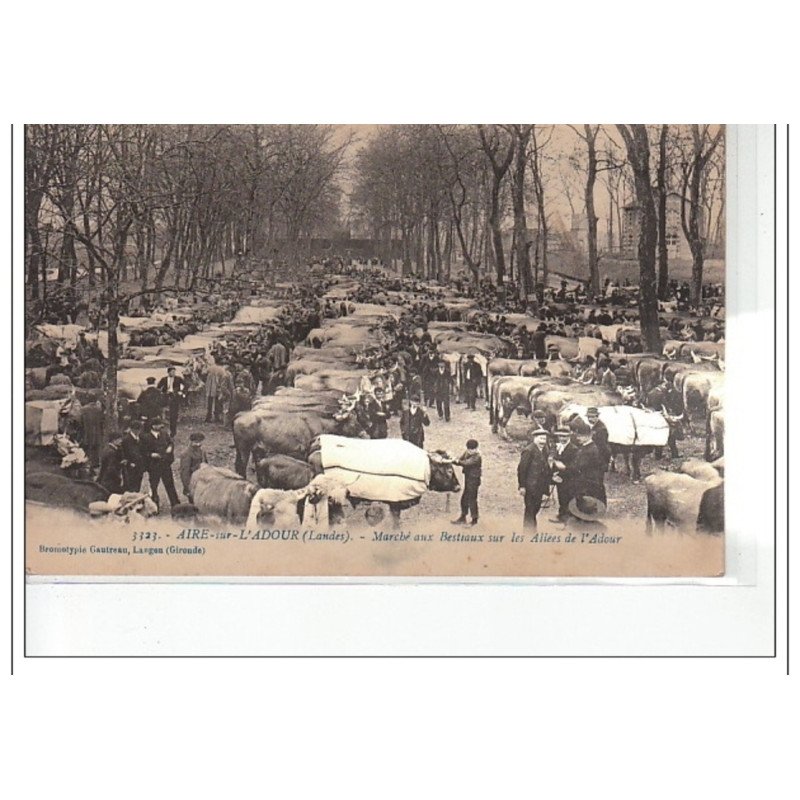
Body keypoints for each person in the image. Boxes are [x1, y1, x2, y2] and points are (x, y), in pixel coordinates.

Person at [558, 418, 607, 510]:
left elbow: (578, 466)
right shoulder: (585, 447)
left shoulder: (590, 450)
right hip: (585, 483)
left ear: (588, 436)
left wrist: (563, 467)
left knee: (587, 509)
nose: (577, 438)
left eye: (580, 436)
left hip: (588, 484)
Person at [517, 427, 553, 531]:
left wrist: (551, 478)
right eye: (541, 439)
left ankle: (531, 530)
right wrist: (522, 486)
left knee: (536, 508)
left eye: (544, 439)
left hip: (540, 486)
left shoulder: (545, 449)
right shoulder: (528, 450)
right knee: (530, 509)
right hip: (530, 486)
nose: (543, 441)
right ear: (535, 438)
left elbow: (545, 466)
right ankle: (529, 532)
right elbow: (521, 469)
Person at [141, 418, 179, 510]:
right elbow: (143, 451)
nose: (161, 426)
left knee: (170, 485)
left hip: (165, 464)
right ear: (153, 426)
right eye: (158, 425)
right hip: (154, 466)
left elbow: (170, 443)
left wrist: (170, 448)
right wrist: (151, 455)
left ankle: (175, 504)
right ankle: (154, 506)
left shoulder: (164, 434)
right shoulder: (146, 437)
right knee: (154, 486)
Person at [451, 439, 482, 526]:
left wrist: (457, 461)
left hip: (474, 480)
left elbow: (466, 463)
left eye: (473, 449)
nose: (471, 451)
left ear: (476, 448)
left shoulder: (477, 457)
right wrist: (453, 460)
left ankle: (474, 519)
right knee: (464, 499)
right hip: (468, 479)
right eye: (469, 449)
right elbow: (460, 460)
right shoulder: (467, 453)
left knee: (472, 499)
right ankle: (463, 517)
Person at [179, 432, 208, 501]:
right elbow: (185, 472)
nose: (198, 444)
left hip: (202, 481)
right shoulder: (186, 453)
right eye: (196, 442)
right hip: (192, 481)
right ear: (191, 442)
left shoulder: (202, 451)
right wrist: (187, 487)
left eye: (200, 442)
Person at [157, 366, 186, 437]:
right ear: (168, 372)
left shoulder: (178, 379)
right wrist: (162, 392)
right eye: (172, 372)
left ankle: (173, 431)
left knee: (173, 414)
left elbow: (186, 385)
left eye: (174, 372)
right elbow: (158, 387)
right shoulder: (164, 379)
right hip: (166, 396)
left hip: (175, 397)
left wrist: (182, 392)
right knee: (160, 411)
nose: (173, 373)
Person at [121, 419, 144, 492]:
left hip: (139, 466)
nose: (138, 432)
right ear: (132, 429)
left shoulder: (140, 438)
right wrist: (129, 463)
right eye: (136, 430)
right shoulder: (126, 440)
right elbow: (124, 453)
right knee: (129, 486)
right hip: (130, 467)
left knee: (138, 484)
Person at [204, 358, 228, 423]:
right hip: (218, 387)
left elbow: (204, 372)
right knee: (218, 402)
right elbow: (224, 378)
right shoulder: (222, 369)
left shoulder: (210, 368)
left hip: (210, 387)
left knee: (210, 402)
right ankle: (217, 417)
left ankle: (208, 417)